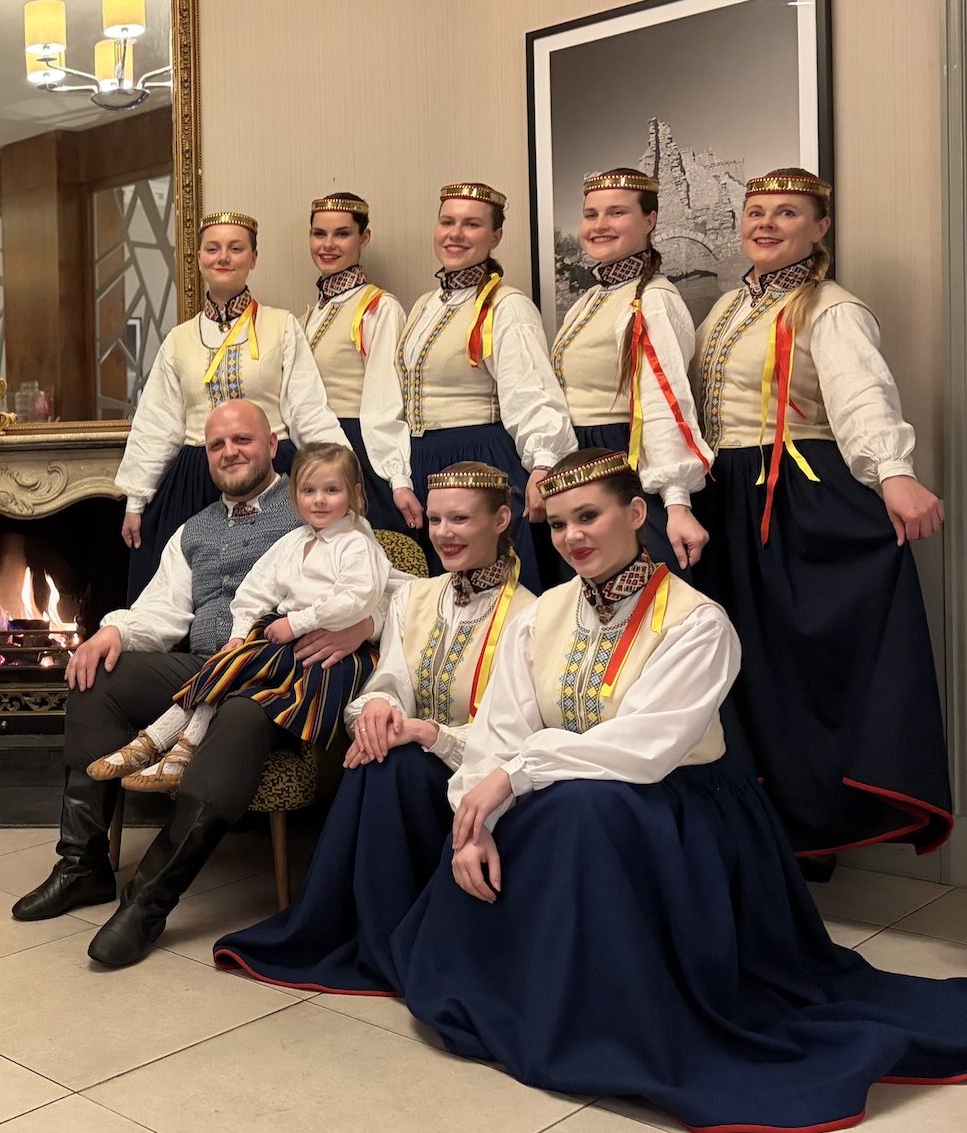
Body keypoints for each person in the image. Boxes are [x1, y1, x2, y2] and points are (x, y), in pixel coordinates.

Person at [388, 448, 967, 1133]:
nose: (573, 537)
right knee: (559, 807)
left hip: (679, 809)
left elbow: (645, 748)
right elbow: (498, 731)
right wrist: (472, 822)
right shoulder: (539, 616)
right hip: (577, 803)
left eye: (590, 516)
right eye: (560, 524)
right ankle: (531, 998)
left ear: (637, 513)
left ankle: (604, 1020)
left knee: (577, 809)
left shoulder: (697, 621)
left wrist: (514, 776)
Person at [12, 400, 379, 969]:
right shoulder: (193, 530)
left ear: (272, 444)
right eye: (217, 445)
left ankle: (148, 902)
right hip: (208, 664)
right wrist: (113, 631)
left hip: (280, 680)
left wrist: (364, 625)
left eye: (242, 439)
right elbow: (162, 612)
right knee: (97, 675)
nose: (230, 452)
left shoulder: (317, 504)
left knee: (238, 712)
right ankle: (82, 864)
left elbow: (387, 583)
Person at [688, 168, 951, 864]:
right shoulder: (726, 308)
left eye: (787, 213)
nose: (766, 224)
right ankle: (753, 826)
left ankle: (812, 831)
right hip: (726, 495)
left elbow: (861, 396)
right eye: (756, 212)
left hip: (794, 495)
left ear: (820, 227)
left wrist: (893, 472)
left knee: (793, 662)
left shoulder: (831, 309)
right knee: (738, 663)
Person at [213, 462, 532, 993]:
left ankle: (381, 936)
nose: (444, 533)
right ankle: (360, 931)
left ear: (501, 520)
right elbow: (389, 682)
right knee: (378, 751)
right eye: (435, 520)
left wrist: (428, 734)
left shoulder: (529, 616)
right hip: (407, 763)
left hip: (478, 782)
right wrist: (378, 711)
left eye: (460, 519)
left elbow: (512, 738)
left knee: (392, 762)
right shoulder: (414, 597)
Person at [88, 443, 388, 794]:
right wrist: (239, 634)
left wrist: (298, 623)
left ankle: (170, 744)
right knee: (230, 661)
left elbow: (357, 598)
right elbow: (254, 590)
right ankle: (161, 744)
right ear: (296, 495)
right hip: (286, 640)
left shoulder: (356, 543)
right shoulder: (294, 541)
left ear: (354, 494)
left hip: (328, 655)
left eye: (331, 490)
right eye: (309, 491)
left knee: (234, 672)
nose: (319, 500)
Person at [115, 211, 348, 601]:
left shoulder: (281, 326)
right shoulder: (178, 339)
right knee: (185, 591)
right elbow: (157, 424)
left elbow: (308, 410)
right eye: (213, 249)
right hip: (196, 478)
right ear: (199, 259)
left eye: (235, 248)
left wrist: (341, 476)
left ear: (253, 258)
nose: (223, 257)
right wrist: (137, 499)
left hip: (272, 473)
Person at [366, 183, 577, 592]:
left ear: (495, 236)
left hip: (481, 461)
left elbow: (531, 393)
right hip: (425, 464)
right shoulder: (425, 305)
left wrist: (543, 463)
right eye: (447, 222)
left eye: (472, 225)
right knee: (439, 593)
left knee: (495, 592)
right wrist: (401, 477)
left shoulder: (507, 305)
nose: (456, 234)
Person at [547, 168, 711, 579]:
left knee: (641, 595)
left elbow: (665, 401)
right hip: (581, 461)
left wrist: (676, 502)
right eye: (591, 214)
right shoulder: (590, 299)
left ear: (649, 220)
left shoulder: (653, 300)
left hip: (626, 462)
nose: (599, 225)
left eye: (616, 213)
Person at [303, 193, 408, 532]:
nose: (328, 244)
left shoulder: (379, 308)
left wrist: (396, 476)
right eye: (319, 233)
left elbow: (386, 400)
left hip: (360, 450)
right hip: (314, 450)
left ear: (364, 238)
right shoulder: (310, 314)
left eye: (342, 234)